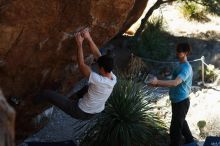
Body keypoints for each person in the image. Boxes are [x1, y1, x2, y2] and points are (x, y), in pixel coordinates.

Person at [38, 28, 117, 120]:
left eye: (99, 66)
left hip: (80, 111)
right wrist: (89, 38)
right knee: (88, 87)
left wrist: (79, 44)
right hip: (95, 111)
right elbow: (98, 56)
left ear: (102, 68)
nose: (97, 65)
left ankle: (30, 103)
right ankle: (73, 97)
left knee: (46, 93)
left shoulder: (98, 80)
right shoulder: (112, 77)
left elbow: (81, 65)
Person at [149, 43, 197, 146]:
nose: (178, 53)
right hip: (176, 101)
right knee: (181, 123)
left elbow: (175, 82)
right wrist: (157, 85)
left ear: (186, 53)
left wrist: (157, 82)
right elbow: (173, 84)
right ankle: (191, 142)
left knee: (175, 129)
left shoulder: (186, 68)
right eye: (177, 50)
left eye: (180, 51)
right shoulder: (180, 65)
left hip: (181, 102)